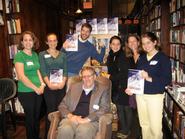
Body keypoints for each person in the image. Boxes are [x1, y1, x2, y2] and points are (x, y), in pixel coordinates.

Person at [126, 32, 172, 139]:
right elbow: (136, 76)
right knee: (144, 125)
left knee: (155, 128)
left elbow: (167, 80)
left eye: (148, 43)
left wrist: (149, 78)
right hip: (140, 95)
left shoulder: (163, 58)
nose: (146, 46)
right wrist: (131, 89)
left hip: (154, 96)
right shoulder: (142, 58)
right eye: (143, 44)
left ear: (155, 42)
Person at [56, 66, 111, 139]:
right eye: (84, 77)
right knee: (65, 128)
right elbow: (62, 105)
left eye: (89, 76)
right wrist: (71, 116)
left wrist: (86, 119)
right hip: (73, 118)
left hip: (90, 121)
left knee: (84, 130)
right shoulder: (74, 87)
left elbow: (104, 108)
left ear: (94, 76)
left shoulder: (102, 89)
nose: (86, 79)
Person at [14, 31, 45, 139]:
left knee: (36, 117)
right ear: (22, 42)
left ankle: (36, 136)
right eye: (25, 40)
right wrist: (36, 88)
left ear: (33, 41)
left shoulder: (35, 54)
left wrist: (42, 84)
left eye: (30, 40)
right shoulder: (19, 56)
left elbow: (37, 71)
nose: (28, 42)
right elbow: (21, 76)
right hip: (26, 92)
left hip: (38, 90)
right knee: (30, 117)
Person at [106, 36, 135, 138]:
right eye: (113, 44)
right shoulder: (110, 55)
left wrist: (111, 77)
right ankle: (124, 129)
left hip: (125, 86)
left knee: (127, 108)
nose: (115, 46)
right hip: (116, 86)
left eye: (118, 44)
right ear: (110, 45)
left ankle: (127, 130)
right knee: (119, 108)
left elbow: (125, 73)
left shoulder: (123, 56)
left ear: (121, 45)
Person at [39, 33, 67, 137]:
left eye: (54, 40)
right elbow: (43, 71)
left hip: (61, 86)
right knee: (51, 111)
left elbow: (65, 70)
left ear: (57, 42)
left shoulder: (63, 55)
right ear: (47, 42)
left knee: (60, 110)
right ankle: (49, 135)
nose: (52, 43)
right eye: (50, 41)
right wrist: (49, 84)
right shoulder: (42, 54)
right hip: (49, 87)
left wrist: (63, 83)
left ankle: (60, 134)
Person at [62, 23, 105, 88]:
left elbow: (100, 59)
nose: (85, 33)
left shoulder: (90, 47)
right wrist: (63, 48)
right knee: (61, 94)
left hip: (73, 74)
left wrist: (103, 48)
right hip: (62, 71)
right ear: (81, 31)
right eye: (83, 30)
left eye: (87, 31)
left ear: (90, 33)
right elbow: (60, 55)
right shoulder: (71, 40)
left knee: (71, 94)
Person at [125, 34, 143, 139]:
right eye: (129, 41)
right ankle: (137, 133)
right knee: (135, 111)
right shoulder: (130, 56)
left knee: (142, 113)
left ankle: (141, 134)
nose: (132, 43)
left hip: (142, 89)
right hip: (133, 88)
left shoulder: (144, 55)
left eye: (134, 41)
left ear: (138, 42)